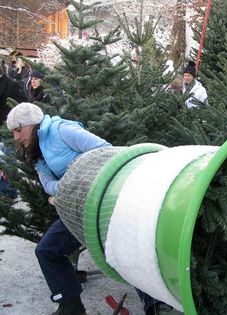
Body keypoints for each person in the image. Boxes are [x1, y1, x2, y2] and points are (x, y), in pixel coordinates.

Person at [6, 102, 181, 315]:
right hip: (76, 211)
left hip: (105, 203)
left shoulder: (62, 130)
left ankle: (156, 306)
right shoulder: (35, 151)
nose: (16, 137)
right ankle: (70, 306)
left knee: (121, 249)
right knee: (47, 251)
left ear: (32, 124)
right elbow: (48, 185)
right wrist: (68, 187)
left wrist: (75, 178)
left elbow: (104, 150)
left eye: (18, 130)